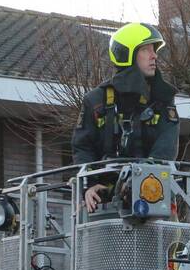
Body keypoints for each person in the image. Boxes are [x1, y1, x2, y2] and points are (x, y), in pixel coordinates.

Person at [73, 22, 180, 213]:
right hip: (103, 202)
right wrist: (89, 185)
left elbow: (166, 146)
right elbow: (83, 147)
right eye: (146, 50)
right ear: (127, 54)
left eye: (154, 50)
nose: (154, 55)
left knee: (173, 239)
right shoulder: (96, 101)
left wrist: (138, 179)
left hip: (154, 195)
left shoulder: (162, 99)